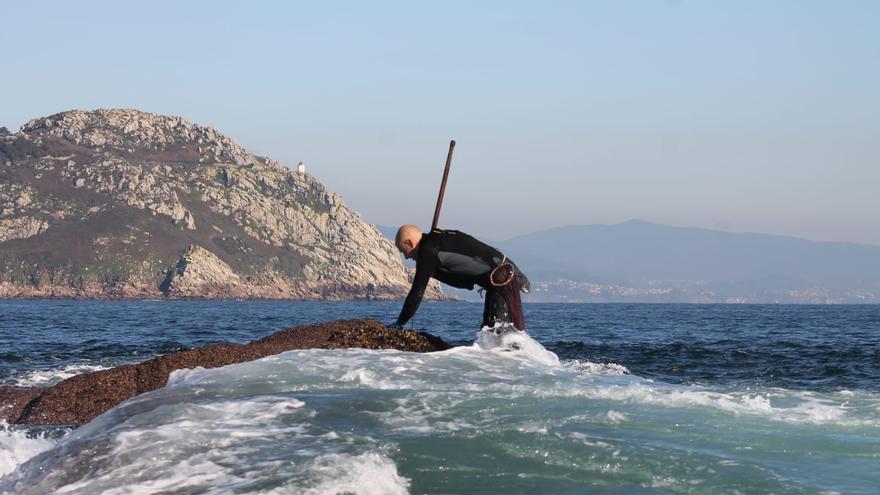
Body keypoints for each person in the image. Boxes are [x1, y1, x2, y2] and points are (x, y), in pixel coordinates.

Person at [391, 224, 530, 331]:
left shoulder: (428, 251)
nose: (406, 257)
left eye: (404, 251)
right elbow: (464, 282)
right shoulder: (435, 239)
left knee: (498, 334)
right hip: (500, 278)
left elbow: (416, 293)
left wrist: (399, 323)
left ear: (410, 242)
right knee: (490, 332)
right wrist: (436, 273)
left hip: (503, 278)